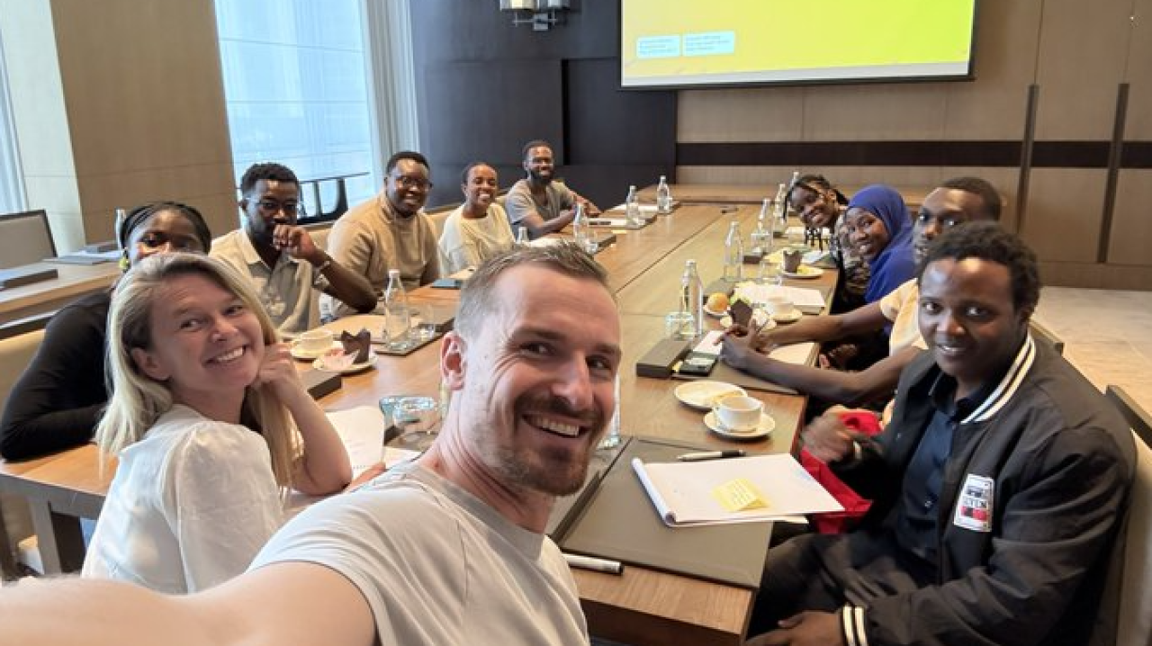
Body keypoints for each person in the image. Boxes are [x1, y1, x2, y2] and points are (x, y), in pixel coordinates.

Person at [0, 243, 622, 646]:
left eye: (599, 363)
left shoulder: (230, 424)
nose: (577, 390)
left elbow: (325, 478)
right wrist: (359, 511)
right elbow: (229, 628)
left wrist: (287, 388)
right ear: (454, 362)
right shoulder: (211, 450)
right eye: (536, 347)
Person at [747, 223, 1135, 646]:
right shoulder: (930, 369)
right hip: (873, 560)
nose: (947, 328)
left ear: (1024, 313)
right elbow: (897, 473)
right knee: (726, 590)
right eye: (932, 307)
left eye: (976, 312)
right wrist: (851, 455)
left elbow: (1015, 603)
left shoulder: (1069, 439)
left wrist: (851, 630)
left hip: (948, 612)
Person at [81, 252, 352, 593]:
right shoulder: (206, 447)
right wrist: (348, 517)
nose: (224, 330)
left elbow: (329, 476)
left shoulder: (186, 427)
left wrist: (293, 392)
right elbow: (259, 602)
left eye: (233, 309)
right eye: (190, 323)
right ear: (150, 362)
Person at [721, 178, 1001, 408]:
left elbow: (858, 389)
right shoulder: (919, 285)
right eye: (924, 217)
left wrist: (749, 359)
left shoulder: (958, 314)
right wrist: (764, 337)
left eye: (950, 222)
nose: (928, 231)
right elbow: (840, 324)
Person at [0, 201, 213, 460]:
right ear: (126, 253)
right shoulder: (84, 321)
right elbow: (15, 434)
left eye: (184, 245)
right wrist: (150, 406)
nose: (167, 253)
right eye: (151, 241)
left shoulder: (215, 318)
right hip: (111, 461)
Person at [211, 162, 375, 336]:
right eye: (269, 205)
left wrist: (316, 256)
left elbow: (365, 301)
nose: (282, 215)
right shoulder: (219, 258)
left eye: (290, 206)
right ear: (245, 207)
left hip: (299, 350)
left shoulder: (302, 250)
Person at [321, 151, 441, 319]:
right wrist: (401, 311)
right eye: (405, 181)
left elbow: (431, 287)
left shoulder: (426, 224)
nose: (414, 189)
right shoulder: (357, 225)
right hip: (354, 316)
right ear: (386, 182)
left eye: (422, 183)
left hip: (409, 313)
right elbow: (342, 307)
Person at [787, 175, 867, 312]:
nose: (808, 210)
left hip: (862, 309)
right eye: (800, 209)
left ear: (832, 195)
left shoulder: (845, 226)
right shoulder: (840, 220)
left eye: (812, 199)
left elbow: (859, 285)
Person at [503, 139, 600, 239]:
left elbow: (593, 210)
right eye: (537, 161)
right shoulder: (517, 195)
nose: (544, 165)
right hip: (530, 247)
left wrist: (583, 208)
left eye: (547, 160)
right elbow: (539, 230)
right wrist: (575, 213)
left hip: (554, 242)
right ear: (525, 165)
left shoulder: (556, 187)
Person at [841, 184, 916, 306]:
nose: (859, 235)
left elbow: (888, 317)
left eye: (866, 223)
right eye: (852, 229)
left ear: (890, 216)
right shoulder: (895, 253)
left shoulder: (900, 264)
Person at [437, 161, 515, 274]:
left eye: (491, 183)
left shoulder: (497, 210)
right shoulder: (457, 225)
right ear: (465, 189)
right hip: (466, 282)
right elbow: (472, 274)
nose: (486, 186)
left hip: (501, 275)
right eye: (478, 182)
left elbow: (512, 250)